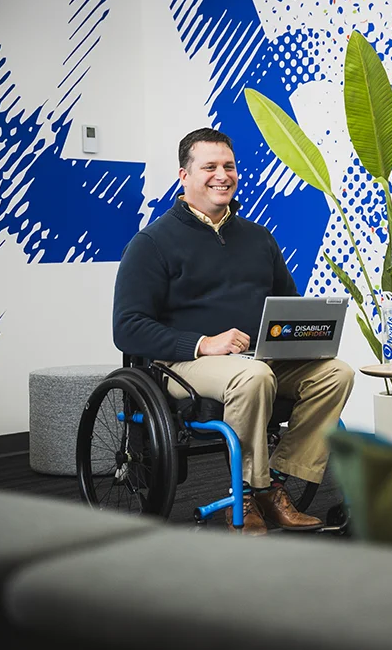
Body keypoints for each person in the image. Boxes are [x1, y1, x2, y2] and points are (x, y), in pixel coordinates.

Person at [113, 128, 354, 536]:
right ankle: (245, 491)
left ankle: (274, 484)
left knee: (337, 372)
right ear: (183, 176)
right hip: (186, 364)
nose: (221, 175)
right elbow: (127, 328)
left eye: (228, 166)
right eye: (209, 166)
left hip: (258, 357)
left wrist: (303, 334)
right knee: (253, 375)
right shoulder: (151, 243)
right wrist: (204, 343)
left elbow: (288, 306)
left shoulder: (258, 238)